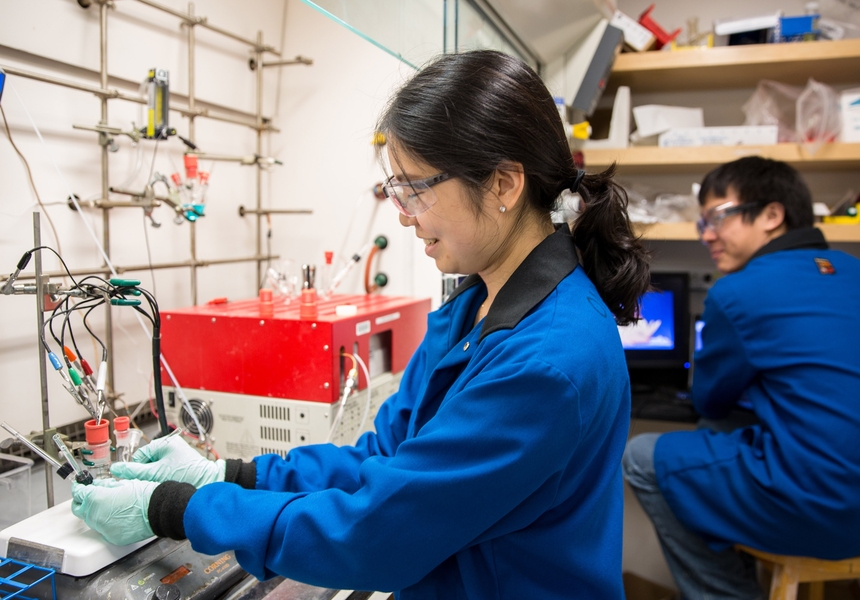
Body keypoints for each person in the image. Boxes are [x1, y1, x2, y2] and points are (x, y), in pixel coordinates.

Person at [71, 50, 651, 598]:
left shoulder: (548, 363)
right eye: (395, 190)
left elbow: (378, 532)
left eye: (415, 190)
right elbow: (383, 461)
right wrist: (231, 472)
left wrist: (175, 509)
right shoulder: (471, 310)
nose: (402, 216)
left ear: (503, 183)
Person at [623, 156, 860, 599]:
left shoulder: (738, 291)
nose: (707, 234)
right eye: (702, 223)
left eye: (717, 217)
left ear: (772, 215)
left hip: (827, 514)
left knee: (641, 456)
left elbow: (710, 401)